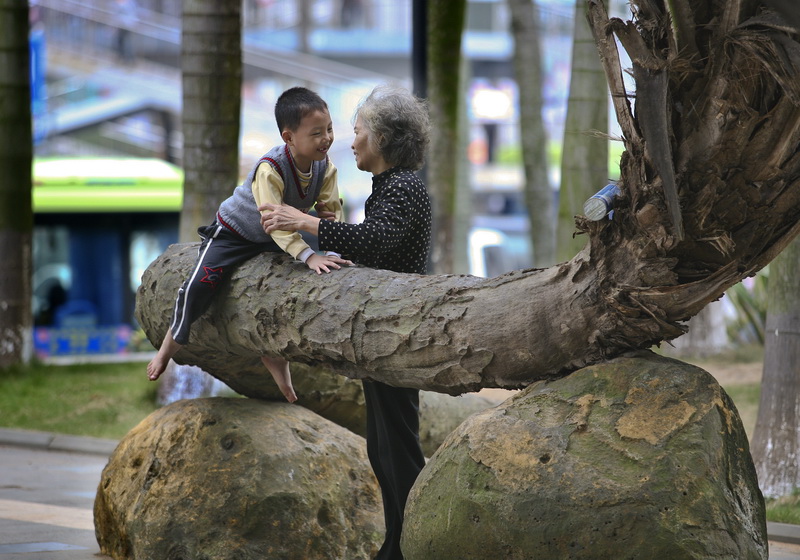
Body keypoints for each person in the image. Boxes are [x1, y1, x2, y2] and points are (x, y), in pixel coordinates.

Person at [260, 84, 431, 560]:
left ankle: (410, 546)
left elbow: (376, 240)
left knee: (398, 451)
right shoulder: (388, 188)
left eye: (356, 132)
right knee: (383, 449)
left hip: (398, 335)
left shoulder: (404, 187)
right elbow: (378, 248)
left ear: (381, 139)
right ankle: (396, 544)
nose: (349, 142)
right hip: (381, 336)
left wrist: (304, 221)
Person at [147, 87, 351, 403]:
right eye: (316, 133)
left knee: (278, 295)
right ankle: (168, 347)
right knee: (200, 285)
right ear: (289, 137)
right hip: (236, 234)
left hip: (273, 239)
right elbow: (274, 223)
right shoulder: (271, 169)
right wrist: (308, 255)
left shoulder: (325, 168)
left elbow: (330, 212)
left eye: (329, 130)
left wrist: (333, 251)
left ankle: (275, 359)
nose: (326, 139)